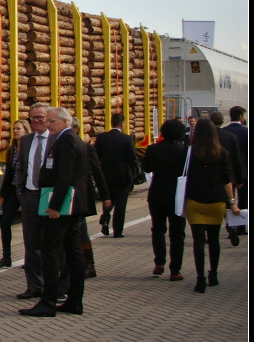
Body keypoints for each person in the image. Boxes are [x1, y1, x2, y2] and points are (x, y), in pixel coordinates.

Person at [19, 107, 90, 317]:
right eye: (47, 121)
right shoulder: (71, 139)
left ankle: (48, 302)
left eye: (51, 121)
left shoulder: (66, 140)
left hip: (64, 206)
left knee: (49, 250)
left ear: (65, 122)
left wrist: (54, 206)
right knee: (73, 252)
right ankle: (74, 301)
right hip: (73, 205)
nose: (47, 124)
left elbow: (64, 176)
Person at [184, 119, 241, 293]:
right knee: (214, 240)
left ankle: (200, 279)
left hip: (194, 201)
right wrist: (232, 203)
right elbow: (226, 180)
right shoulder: (222, 153)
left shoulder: (190, 153)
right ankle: (213, 274)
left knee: (198, 241)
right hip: (216, 202)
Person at [12, 103, 55, 300]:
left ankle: (54, 286)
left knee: (52, 243)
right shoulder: (27, 140)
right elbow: (21, 166)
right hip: (29, 195)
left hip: (49, 195)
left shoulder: (56, 139)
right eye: (33, 118)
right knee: (31, 244)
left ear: (48, 119)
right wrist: (21, 191)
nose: (37, 121)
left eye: (40, 117)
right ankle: (34, 286)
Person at [143, 119, 189, 280]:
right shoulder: (184, 151)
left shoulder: (153, 149)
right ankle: (175, 270)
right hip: (177, 196)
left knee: (158, 229)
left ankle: (159, 262)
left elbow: (147, 168)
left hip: (157, 194)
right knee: (177, 233)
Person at [71, 118, 111, 278]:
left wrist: (105, 196)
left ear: (75, 130)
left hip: (80, 197)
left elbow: (97, 171)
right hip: (65, 196)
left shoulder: (86, 148)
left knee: (81, 230)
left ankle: (89, 264)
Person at [94, 113, 139, 238]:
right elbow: (132, 159)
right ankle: (118, 231)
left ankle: (105, 220)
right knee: (120, 205)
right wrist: (132, 172)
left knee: (107, 200)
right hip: (123, 177)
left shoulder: (101, 138)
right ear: (122, 123)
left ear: (111, 122)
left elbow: (96, 157)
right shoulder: (127, 139)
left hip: (106, 176)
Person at [0, 119, 31, 268]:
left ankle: (30, 258)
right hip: (12, 190)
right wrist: (2, 193)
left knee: (28, 226)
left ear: (26, 130)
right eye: (14, 128)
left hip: (26, 190)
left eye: (18, 129)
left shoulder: (31, 147)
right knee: (5, 222)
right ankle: (6, 257)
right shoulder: (12, 149)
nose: (15, 131)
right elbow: (8, 173)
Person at [210, 111, 242, 246]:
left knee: (212, 203)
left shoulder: (207, 137)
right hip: (229, 176)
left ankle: (210, 231)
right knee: (229, 202)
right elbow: (236, 159)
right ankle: (230, 226)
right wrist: (239, 179)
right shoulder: (231, 137)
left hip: (211, 176)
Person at [220, 106, 248, 235]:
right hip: (244, 171)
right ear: (241, 116)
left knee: (228, 200)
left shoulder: (223, 132)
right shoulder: (246, 132)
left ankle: (230, 225)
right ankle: (241, 227)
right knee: (243, 200)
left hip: (227, 172)